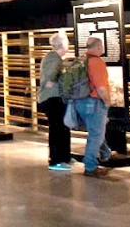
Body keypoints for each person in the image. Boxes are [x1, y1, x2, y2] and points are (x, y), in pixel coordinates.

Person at [73, 35, 111, 177]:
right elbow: (101, 88)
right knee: (96, 134)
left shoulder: (81, 59)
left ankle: (106, 153)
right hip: (94, 102)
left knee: (96, 131)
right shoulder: (97, 62)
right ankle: (90, 166)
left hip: (79, 102)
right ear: (99, 47)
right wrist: (107, 102)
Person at [37, 29, 71, 171]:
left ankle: (64, 157)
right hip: (52, 99)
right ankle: (56, 160)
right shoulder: (55, 59)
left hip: (50, 98)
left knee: (61, 127)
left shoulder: (51, 57)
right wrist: (51, 81)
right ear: (63, 45)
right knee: (57, 128)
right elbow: (50, 75)